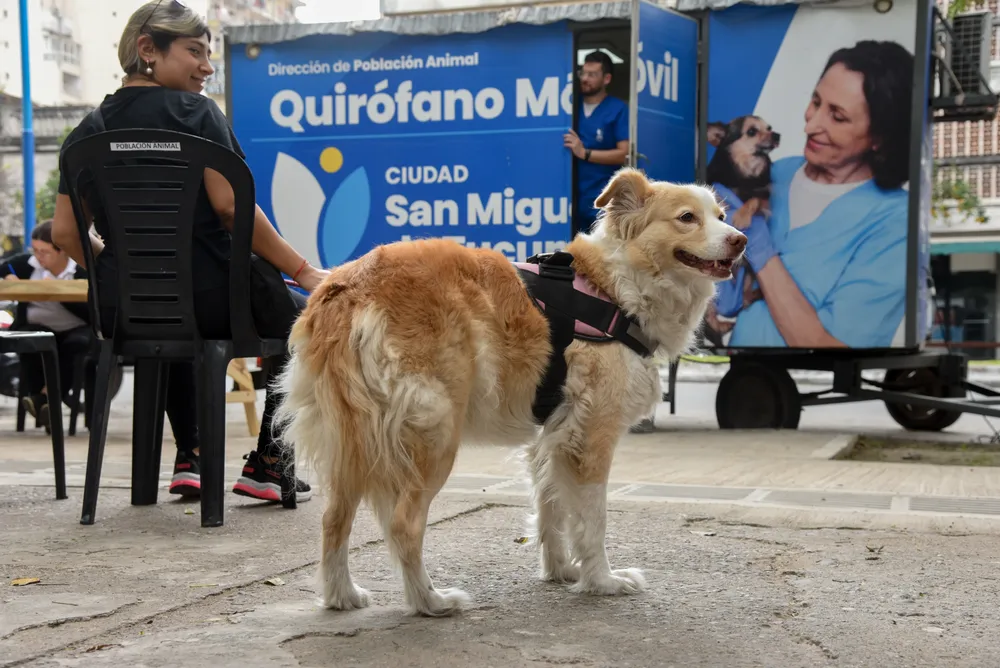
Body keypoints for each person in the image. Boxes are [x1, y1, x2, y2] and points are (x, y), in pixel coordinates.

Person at [50, 0, 330, 504]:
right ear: (146, 49)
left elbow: (68, 235)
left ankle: (193, 457)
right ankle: (269, 463)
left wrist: (120, 263)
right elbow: (229, 210)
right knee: (310, 325)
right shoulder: (198, 115)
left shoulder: (86, 132)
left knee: (171, 316)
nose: (207, 66)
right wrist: (303, 270)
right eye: (195, 52)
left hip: (124, 309)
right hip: (215, 295)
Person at [710, 40, 914, 349]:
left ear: (879, 137)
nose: (811, 124)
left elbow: (832, 344)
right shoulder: (775, 173)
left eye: (838, 116)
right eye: (816, 102)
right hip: (744, 376)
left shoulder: (894, 220)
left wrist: (762, 252)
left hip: (800, 384)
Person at [1, 220, 92, 428]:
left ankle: (42, 400)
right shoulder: (28, 265)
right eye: (35, 250)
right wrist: (9, 276)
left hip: (74, 329)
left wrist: (59, 293)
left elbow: (91, 313)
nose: (38, 257)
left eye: (45, 252)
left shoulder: (80, 271)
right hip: (37, 326)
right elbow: (6, 266)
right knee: (31, 340)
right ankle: (47, 403)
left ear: (62, 252)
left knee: (74, 346)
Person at [564, 50, 629, 234]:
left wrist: (585, 153)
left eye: (592, 74)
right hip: (568, 199)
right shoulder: (567, 106)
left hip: (601, 199)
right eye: (582, 73)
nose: (585, 78)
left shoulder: (617, 109)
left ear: (606, 79)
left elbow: (623, 153)